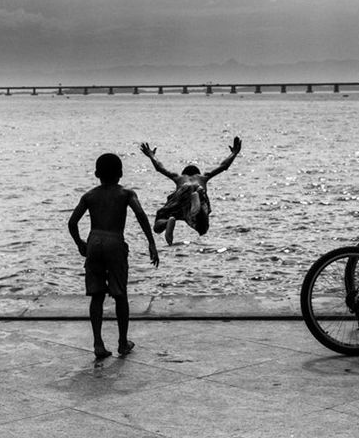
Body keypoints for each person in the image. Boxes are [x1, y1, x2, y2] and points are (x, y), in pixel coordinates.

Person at [68, 153, 159, 360]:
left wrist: (80, 244)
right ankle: (122, 342)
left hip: (94, 240)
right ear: (120, 173)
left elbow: (72, 223)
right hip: (114, 242)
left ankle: (98, 343)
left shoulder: (90, 196)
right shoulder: (126, 193)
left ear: (96, 174)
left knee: (97, 295)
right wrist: (151, 243)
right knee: (120, 294)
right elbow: (141, 215)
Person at [139, 137, 242, 245]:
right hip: (199, 190)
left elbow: (160, 168)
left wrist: (151, 155)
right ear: (197, 173)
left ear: (184, 173)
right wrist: (234, 153)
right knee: (202, 228)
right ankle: (195, 208)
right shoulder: (203, 177)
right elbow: (223, 166)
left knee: (159, 222)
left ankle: (168, 222)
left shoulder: (179, 178)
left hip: (183, 191)